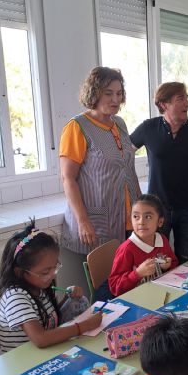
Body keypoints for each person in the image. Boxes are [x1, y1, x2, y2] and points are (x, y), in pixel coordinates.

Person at [59, 66, 141, 276]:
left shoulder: (120, 124)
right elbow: (68, 179)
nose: (115, 99)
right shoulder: (77, 127)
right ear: (94, 93)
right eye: (108, 93)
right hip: (97, 222)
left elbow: (126, 169)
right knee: (104, 286)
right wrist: (83, 221)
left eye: (119, 93)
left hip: (127, 217)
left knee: (126, 281)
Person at [130, 82, 188, 264]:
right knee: (158, 259)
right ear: (164, 104)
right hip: (157, 209)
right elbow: (123, 158)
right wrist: (133, 187)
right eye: (181, 98)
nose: (187, 103)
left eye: (187, 97)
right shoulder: (148, 128)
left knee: (183, 256)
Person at [0, 221, 102, 352]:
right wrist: (83, 326)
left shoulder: (38, 287)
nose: (52, 275)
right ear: (20, 272)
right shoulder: (15, 297)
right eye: (45, 272)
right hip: (23, 364)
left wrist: (68, 300)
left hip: (44, 355)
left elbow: (48, 319)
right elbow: (41, 338)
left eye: (55, 267)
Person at [109, 194, 178, 297]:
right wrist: (137, 274)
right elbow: (114, 286)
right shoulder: (127, 249)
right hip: (135, 301)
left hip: (158, 294)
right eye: (136, 216)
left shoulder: (162, 239)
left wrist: (167, 266)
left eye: (148, 217)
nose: (141, 222)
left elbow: (174, 263)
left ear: (160, 222)